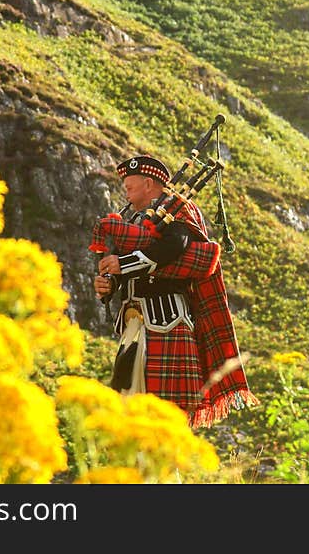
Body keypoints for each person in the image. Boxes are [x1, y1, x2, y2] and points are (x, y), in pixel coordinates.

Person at [93, 154, 259, 428]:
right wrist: (110, 285)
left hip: (167, 324)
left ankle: (165, 469)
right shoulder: (132, 220)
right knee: (128, 410)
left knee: (163, 416)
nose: (125, 186)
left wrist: (124, 264)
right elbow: (126, 271)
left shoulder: (179, 209)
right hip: (134, 326)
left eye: (129, 182)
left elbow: (175, 247)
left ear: (148, 183)